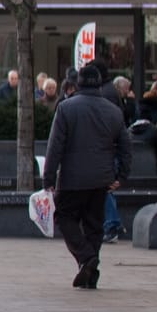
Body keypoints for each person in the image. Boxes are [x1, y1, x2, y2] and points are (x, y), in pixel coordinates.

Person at [42, 60, 129, 290]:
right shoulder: (114, 111)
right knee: (94, 224)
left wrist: (48, 179)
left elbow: (55, 146)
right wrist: (122, 175)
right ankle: (90, 269)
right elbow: (125, 145)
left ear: (78, 83)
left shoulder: (66, 108)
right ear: (100, 83)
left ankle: (86, 257)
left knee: (64, 217)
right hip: (102, 179)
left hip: (72, 178)